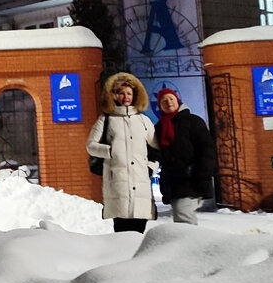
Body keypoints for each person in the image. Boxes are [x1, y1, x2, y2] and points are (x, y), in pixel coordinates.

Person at [86, 72, 159, 233]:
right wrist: (110, 151)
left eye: (129, 93)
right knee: (121, 231)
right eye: (121, 93)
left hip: (140, 182)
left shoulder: (144, 121)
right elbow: (90, 145)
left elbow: (156, 149)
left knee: (139, 231)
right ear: (114, 96)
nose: (126, 97)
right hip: (117, 183)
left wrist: (150, 167)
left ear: (135, 96)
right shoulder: (105, 119)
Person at [153, 88, 217, 225]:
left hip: (191, 179)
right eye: (164, 101)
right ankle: (188, 238)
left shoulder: (193, 121)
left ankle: (190, 239)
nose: (168, 102)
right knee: (181, 218)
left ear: (178, 101)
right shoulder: (160, 127)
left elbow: (207, 149)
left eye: (171, 99)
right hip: (173, 182)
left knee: (183, 216)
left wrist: (202, 174)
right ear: (159, 106)